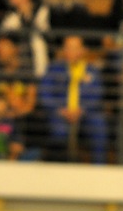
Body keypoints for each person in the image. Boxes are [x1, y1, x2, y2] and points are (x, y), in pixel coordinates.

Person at [38, 35, 108, 164]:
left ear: (83, 50)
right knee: (59, 132)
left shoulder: (92, 71)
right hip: (59, 113)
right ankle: (59, 168)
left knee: (98, 126)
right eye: (68, 48)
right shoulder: (53, 69)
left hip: (85, 113)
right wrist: (60, 110)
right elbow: (45, 94)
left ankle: (99, 168)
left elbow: (97, 95)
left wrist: (82, 110)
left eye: (75, 48)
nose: (71, 51)